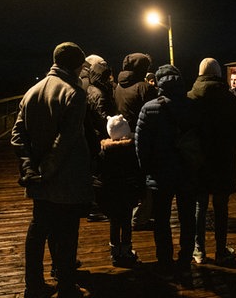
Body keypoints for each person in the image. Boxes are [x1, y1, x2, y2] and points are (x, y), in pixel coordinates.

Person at [11, 42, 92, 297]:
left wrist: (28, 167)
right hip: (64, 178)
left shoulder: (32, 92)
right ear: (75, 65)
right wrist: (47, 171)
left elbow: (17, 135)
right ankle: (66, 286)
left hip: (38, 179)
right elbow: (66, 141)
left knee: (38, 231)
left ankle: (33, 286)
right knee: (67, 233)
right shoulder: (74, 94)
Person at [135, 64, 200, 280]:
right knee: (187, 217)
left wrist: (146, 171)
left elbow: (141, 145)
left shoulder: (149, 108)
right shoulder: (192, 105)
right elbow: (202, 138)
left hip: (160, 173)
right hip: (188, 171)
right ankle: (185, 259)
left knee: (161, 219)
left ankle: (165, 260)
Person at [188, 58, 236, 265]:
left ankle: (198, 250)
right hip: (222, 162)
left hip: (199, 162)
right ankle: (221, 250)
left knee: (199, 207)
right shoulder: (229, 99)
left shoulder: (191, 97)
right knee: (221, 208)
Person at [113, 53, 158, 231]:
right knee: (147, 180)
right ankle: (140, 218)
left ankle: (130, 216)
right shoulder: (144, 88)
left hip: (122, 138)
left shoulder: (118, 87)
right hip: (141, 139)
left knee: (129, 181)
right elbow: (154, 115)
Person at [96, 114, 143, 268]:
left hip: (111, 192)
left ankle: (115, 251)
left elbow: (100, 172)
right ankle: (127, 249)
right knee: (126, 221)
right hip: (128, 191)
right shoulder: (130, 151)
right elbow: (137, 171)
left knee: (114, 221)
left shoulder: (105, 152)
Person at [85, 59, 116, 223]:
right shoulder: (99, 93)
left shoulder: (91, 89)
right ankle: (96, 209)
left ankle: (95, 206)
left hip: (95, 136)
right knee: (99, 173)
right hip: (100, 137)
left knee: (95, 172)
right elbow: (102, 117)